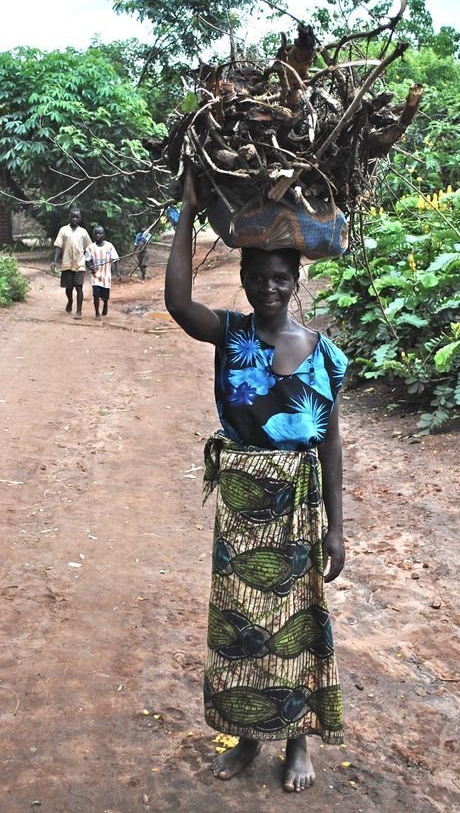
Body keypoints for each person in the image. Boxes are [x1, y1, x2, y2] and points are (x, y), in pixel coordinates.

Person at [165, 168, 347, 794]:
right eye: (259, 278)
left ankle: (297, 742)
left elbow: (329, 444)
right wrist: (187, 213)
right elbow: (177, 304)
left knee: (295, 620)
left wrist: (337, 529)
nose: (269, 287)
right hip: (243, 509)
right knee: (243, 623)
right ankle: (247, 734)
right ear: (243, 281)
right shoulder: (230, 335)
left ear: (296, 284)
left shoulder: (323, 354)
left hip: (298, 507)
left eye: (281, 278)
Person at [53, 207, 92, 320]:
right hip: (67, 263)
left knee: (79, 287)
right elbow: (58, 246)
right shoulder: (63, 230)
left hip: (80, 263)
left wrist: (90, 263)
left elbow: (88, 248)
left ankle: (79, 311)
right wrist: (55, 260)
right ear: (69, 217)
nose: (75, 219)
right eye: (72, 217)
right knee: (68, 288)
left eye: (77, 217)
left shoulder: (83, 232)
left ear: (80, 218)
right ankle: (70, 301)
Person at [85, 225, 120, 320]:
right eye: (96, 233)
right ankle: (97, 313)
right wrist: (91, 266)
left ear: (103, 235)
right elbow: (88, 260)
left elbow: (116, 259)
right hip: (96, 275)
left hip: (106, 276)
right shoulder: (90, 248)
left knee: (105, 295)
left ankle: (105, 304)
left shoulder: (109, 246)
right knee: (96, 295)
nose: (97, 235)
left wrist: (117, 272)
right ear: (93, 235)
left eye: (100, 233)